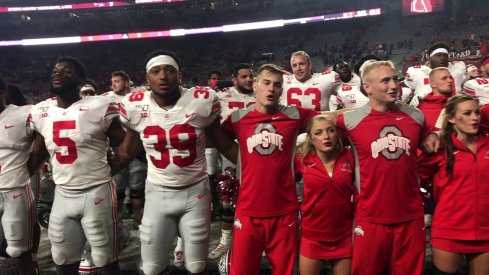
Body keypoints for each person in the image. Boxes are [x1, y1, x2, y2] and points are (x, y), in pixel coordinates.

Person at [113, 50, 237, 275]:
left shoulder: (201, 101)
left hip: (195, 193)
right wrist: (100, 173)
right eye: (156, 71)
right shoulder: (135, 106)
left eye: (170, 70)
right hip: (157, 193)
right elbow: (125, 152)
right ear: (147, 77)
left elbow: (226, 145)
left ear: (179, 76)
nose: (163, 76)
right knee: (151, 267)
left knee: (197, 265)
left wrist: (258, 170)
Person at [28, 57, 125, 275]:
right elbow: (37, 153)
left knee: (105, 261)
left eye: (67, 71)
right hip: (62, 194)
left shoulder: (98, 105)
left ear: (81, 80)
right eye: (55, 70)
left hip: (96, 191)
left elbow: (125, 144)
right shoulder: (42, 111)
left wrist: (115, 166)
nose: (58, 73)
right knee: (62, 260)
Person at [222, 64, 318, 275]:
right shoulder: (238, 118)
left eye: (277, 85)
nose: (271, 89)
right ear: (255, 85)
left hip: (285, 210)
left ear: (281, 90)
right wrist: (240, 159)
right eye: (266, 83)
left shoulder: (294, 115)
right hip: (248, 210)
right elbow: (217, 139)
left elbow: (326, 120)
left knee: (285, 271)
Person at [336, 61, 427, 275]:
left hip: (410, 216)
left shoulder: (416, 117)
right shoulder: (349, 120)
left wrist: (435, 134)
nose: (394, 85)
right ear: (367, 87)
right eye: (385, 81)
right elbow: (318, 128)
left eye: (395, 79)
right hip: (370, 216)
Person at [418, 94, 489, 275]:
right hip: (449, 229)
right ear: (450, 118)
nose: (474, 118)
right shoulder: (438, 147)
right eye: (466, 113)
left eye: (476, 113)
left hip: (486, 229)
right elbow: (412, 178)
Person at [295, 115, 354, 275]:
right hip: (312, 235)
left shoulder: (350, 157)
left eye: (331, 130)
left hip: (344, 234)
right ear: (311, 138)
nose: (326, 137)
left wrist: (333, 116)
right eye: (318, 133)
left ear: (338, 133)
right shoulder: (302, 159)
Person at [208, 63, 255, 261]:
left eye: (251, 76)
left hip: (256, 149)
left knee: (256, 195)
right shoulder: (221, 95)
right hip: (230, 150)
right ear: (234, 79)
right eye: (243, 77)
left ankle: (256, 238)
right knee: (228, 196)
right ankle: (226, 239)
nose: (248, 80)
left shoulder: (261, 92)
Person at [0, 79, 37, 275]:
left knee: (19, 250)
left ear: (3, 93)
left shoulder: (25, 113)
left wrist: (31, 166)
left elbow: (46, 138)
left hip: (14, 188)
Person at [103, 70, 147, 231]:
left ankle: (138, 220)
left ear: (127, 83)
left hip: (136, 147)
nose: (113, 84)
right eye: (112, 81)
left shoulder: (141, 95)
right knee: (118, 189)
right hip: (117, 149)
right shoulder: (105, 98)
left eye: (117, 81)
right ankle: (118, 222)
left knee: (137, 188)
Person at [405, 42, 467, 107]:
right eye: (438, 55)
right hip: (427, 108)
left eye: (445, 55)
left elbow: (468, 79)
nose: (442, 58)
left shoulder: (458, 68)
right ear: (430, 58)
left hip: (453, 107)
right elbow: (406, 88)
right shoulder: (417, 71)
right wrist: (412, 97)